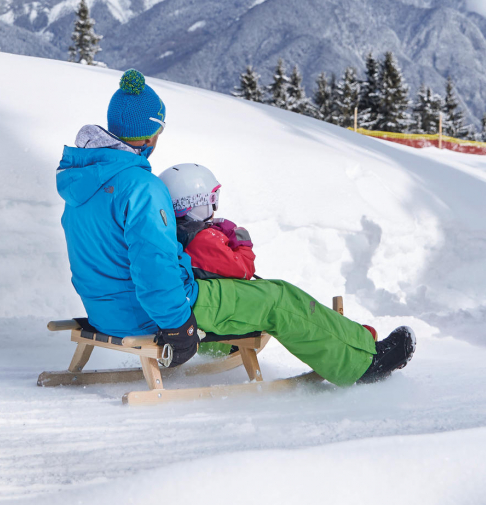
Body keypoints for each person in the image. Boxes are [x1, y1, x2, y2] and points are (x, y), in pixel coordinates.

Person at [56, 70, 414, 385]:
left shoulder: (83, 184)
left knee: (223, 283)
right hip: (149, 314)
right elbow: (154, 267)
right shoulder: (141, 188)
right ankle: (362, 361)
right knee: (278, 298)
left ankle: (228, 338)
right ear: (151, 133)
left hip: (108, 311)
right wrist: (178, 326)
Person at [158, 162, 257, 279]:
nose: (214, 208)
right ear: (197, 203)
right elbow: (245, 269)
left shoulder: (169, 230)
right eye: (213, 201)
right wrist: (239, 237)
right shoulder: (202, 239)